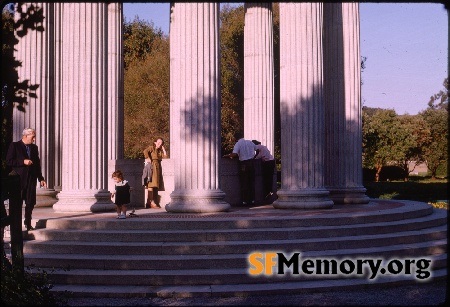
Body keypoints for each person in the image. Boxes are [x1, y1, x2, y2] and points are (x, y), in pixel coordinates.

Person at [6, 128, 47, 231]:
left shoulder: (34, 148)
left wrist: (41, 179)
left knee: (30, 202)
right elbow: (9, 161)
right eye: (32, 137)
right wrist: (22, 162)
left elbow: (37, 165)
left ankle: (28, 223)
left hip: (31, 179)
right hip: (18, 180)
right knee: (17, 203)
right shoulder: (14, 146)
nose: (34, 139)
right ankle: (15, 226)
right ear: (25, 136)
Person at [223, 136, 256, 205]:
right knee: (251, 181)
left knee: (244, 182)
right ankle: (253, 200)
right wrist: (255, 157)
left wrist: (227, 155)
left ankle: (245, 201)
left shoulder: (238, 144)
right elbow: (257, 149)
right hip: (252, 163)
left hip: (243, 164)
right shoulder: (250, 142)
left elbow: (234, 154)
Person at [143, 137, 167, 208]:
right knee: (151, 184)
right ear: (155, 142)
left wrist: (163, 149)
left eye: (161, 143)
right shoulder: (151, 148)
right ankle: (152, 202)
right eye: (159, 142)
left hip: (157, 167)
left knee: (154, 185)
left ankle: (148, 202)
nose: (160, 144)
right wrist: (148, 158)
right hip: (152, 166)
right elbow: (145, 151)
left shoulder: (160, 151)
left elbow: (165, 157)